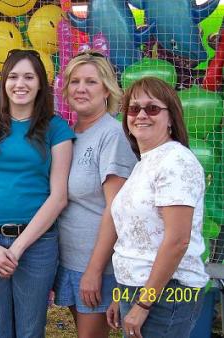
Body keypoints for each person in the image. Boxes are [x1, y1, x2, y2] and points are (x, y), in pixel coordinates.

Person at [0, 49, 75, 337]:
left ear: (40, 84)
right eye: (12, 76)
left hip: (36, 244)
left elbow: (58, 196)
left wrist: (17, 248)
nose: (19, 83)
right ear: (4, 83)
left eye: (28, 76)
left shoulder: (56, 128)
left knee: (30, 329)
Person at [106, 77, 209, 338]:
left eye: (152, 108)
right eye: (133, 108)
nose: (141, 115)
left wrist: (143, 303)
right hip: (141, 289)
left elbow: (177, 240)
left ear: (171, 117)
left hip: (166, 294)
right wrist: (122, 295)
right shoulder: (146, 162)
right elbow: (136, 238)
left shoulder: (175, 161)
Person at [53, 51, 137, 338]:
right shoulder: (68, 134)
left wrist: (94, 270)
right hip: (69, 260)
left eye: (91, 81)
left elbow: (117, 209)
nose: (81, 88)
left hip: (96, 265)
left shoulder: (112, 135)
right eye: (74, 81)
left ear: (106, 89)